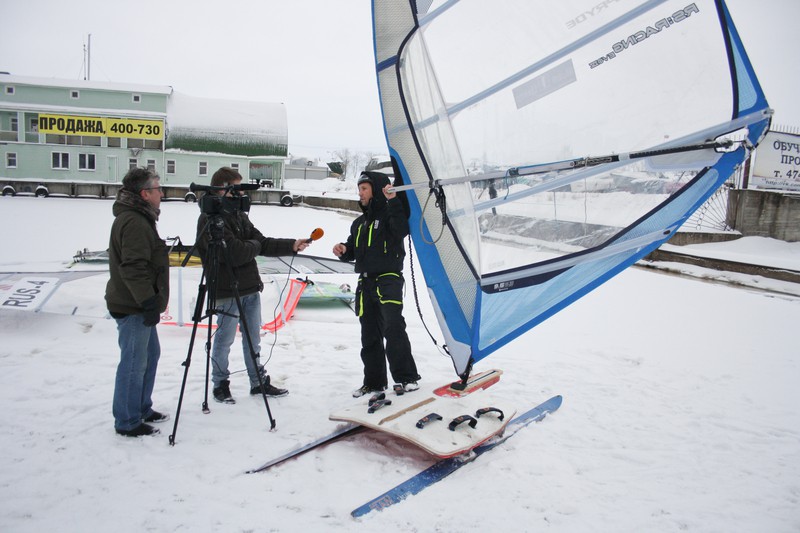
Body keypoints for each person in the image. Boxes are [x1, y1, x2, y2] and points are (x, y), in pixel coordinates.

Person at [196, 167, 310, 404]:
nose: (240, 196)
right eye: (236, 189)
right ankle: (220, 384)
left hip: (249, 287)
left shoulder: (239, 215)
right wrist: (253, 246)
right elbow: (236, 252)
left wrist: (292, 245)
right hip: (226, 290)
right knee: (224, 339)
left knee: (253, 339)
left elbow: (262, 242)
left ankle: (258, 382)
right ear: (223, 189)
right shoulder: (209, 219)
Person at [333, 171, 421, 397]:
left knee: (393, 328)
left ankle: (406, 378)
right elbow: (353, 250)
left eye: (364, 188)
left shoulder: (391, 214)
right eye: (359, 188)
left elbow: (401, 230)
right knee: (369, 334)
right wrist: (344, 250)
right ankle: (374, 382)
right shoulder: (359, 223)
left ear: (376, 189)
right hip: (366, 282)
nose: (360, 193)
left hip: (388, 280)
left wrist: (393, 201)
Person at [106, 168, 170, 437]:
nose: (162, 194)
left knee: (149, 356)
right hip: (132, 305)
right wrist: (147, 302)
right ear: (145, 194)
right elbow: (133, 267)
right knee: (134, 363)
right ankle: (128, 420)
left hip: (139, 303)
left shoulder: (140, 218)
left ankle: (142, 407)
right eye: (158, 189)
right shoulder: (133, 221)